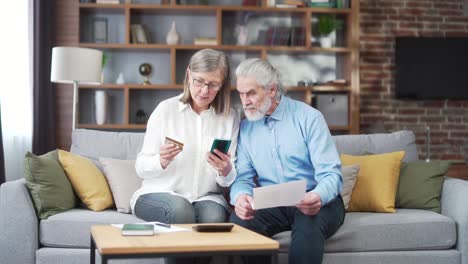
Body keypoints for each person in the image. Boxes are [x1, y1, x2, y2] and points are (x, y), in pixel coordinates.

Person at [230, 58, 345, 264]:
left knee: (308, 223)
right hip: (273, 203)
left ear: (272, 90)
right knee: (240, 222)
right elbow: (243, 177)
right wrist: (240, 197)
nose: (244, 100)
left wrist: (317, 196)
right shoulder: (246, 129)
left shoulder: (309, 118)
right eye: (241, 93)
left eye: (251, 93)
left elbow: (331, 175)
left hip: (316, 199)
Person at [130, 49, 239, 225]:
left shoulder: (229, 118)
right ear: (189, 74)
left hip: (205, 197)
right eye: (199, 81)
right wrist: (161, 161)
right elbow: (140, 168)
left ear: (223, 84)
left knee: (214, 219)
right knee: (181, 211)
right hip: (159, 192)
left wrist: (226, 170)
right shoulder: (165, 110)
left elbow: (228, 180)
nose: (204, 91)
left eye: (213, 84)